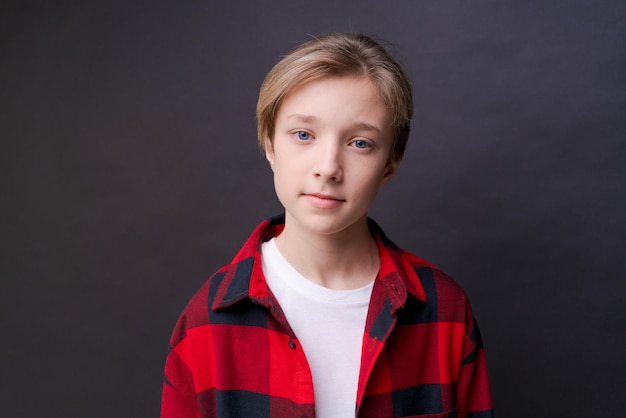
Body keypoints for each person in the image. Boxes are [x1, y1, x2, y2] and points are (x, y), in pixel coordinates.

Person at [161, 32, 494, 418]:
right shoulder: (206, 323)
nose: (329, 167)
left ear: (391, 162)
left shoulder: (445, 312)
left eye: (360, 143)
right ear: (269, 143)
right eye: (304, 135)